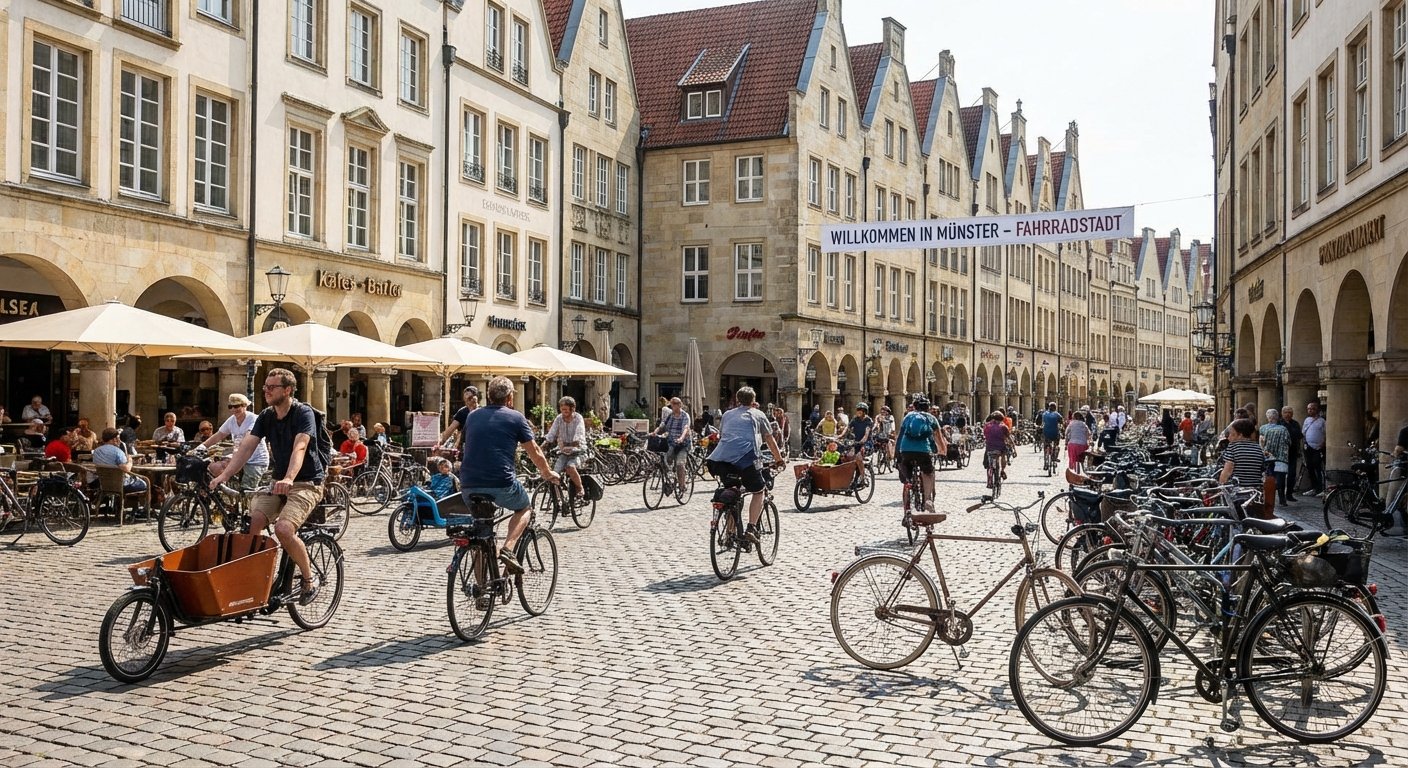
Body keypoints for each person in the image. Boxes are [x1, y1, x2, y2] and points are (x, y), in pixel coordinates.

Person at [210, 368, 326, 605]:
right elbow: (246, 448)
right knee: (254, 524)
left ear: (287, 390)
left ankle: (308, 579)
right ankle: (258, 579)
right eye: (265, 387)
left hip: (306, 482)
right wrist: (224, 476)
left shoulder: (303, 413)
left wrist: (290, 478)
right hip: (278, 483)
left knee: (284, 529)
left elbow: (300, 447)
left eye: (271, 387)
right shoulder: (266, 416)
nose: (266, 391)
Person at [458, 376, 559, 575]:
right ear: (510, 398)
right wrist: (547, 473)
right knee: (524, 507)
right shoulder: (516, 417)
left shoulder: (472, 416)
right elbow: (535, 451)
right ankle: (508, 548)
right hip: (501, 483)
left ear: (488, 396)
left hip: (468, 485)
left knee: (481, 533)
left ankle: (481, 591)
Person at [707, 386, 785, 545]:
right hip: (746, 459)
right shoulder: (758, 414)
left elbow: (723, 436)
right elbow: (769, 439)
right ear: (753, 400)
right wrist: (779, 459)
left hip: (719, 460)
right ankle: (751, 528)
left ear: (737, 400)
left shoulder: (727, 414)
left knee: (732, 492)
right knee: (759, 490)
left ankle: (729, 534)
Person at [199, 393, 268, 492]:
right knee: (214, 468)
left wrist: (232, 459)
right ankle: (223, 500)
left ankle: (248, 506)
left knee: (246, 490)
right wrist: (202, 447)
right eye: (230, 407)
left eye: (236, 406)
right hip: (239, 456)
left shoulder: (254, 419)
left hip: (255, 460)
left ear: (245, 406)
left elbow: (247, 442)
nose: (233, 410)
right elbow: (218, 435)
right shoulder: (232, 420)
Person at [896, 397, 941, 513]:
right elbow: (938, 438)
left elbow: (900, 436)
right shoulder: (931, 418)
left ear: (914, 407)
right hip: (923, 451)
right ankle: (927, 500)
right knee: (928, 473)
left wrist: (897, 453)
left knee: (907, 479)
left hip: (905, 450)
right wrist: (942, 451)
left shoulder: (908, 417)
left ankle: (906, 506)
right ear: (928, 408)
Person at [544, 396, 587, 502]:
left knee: (570, 467)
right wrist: (543, 445)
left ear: (572, 409)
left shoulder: (578, 418)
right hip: (563, 451)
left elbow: (579, 433)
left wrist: (573, 444)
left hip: (578, 451)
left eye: (566, 410)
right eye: (562, 410)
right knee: (554, 473)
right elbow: (552, 433)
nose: (563, 412)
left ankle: (579, 487)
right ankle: (558, 499)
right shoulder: (559, 419)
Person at [653, 397, 693, 494]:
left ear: (680, 405)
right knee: (666, 461)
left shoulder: (685, 415)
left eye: (675, 403)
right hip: (671, 443)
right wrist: (655, 432)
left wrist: (681, 438)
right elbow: (663, 424)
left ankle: (682, 486)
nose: (673, 406)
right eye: (672, 404)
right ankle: (670, 480)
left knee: (680, 464)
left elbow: (685, 428)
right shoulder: (670, 415)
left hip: (683, 445)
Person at [93, 427, 148, 493]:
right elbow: (126, 469)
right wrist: (130, 460)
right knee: (145, 483)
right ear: (114, 439)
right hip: (119, 484)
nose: (119, 440)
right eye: (118, 438)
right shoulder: (118, 452)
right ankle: (140, 503)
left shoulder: (96, 451)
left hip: (103, 483)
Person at [1220, 418, 1267, 489]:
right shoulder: (1258, 448)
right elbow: (1262, 468)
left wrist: (1221, 486)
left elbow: (1228, 470)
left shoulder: (1233, 447)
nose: (1229, 437)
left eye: (1232, 434)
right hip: (1255, 490)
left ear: (1240, 435)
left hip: (1238, 490)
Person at [1259, 409, 1291, 506]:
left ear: (1268, 418)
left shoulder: (1263, 428)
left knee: (1270, 478)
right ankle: (1282, 499)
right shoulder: (1283, 429)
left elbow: (1261, 443)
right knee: (1281, 479)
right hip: (1282, 458)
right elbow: (1288, 442)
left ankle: (1268, 499)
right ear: (1277, 417)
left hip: (1268, 458)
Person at [437, 385, 480, 449]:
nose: (468, 401)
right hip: (465, 444)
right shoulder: (462, 412)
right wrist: (440, 442)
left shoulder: (481, 411)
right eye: (466, 398)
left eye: (470, 398)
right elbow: (451, 429)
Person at [1280, 406, 1303, 503]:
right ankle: (1281, 496)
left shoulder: (1295, 424)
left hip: (1293, 452)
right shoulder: (1279, 424)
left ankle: (1289, 494)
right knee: (1281, 474)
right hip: (1282, 453)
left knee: (1292, 474)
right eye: (1286, 412)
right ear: (1282, 413)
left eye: (1290, 412)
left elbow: (1299, 436)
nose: (1288, 414)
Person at [1303, 401, 1326, 497]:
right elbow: (1303, 432)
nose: (1310, 410)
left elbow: (1325, 433)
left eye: (1312, 409)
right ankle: (1314, 487)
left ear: (1317, 410)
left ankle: (1320, 488)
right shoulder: (1307, 420)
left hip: (1318, 448)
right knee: (1310, 468)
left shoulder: (1322, 421)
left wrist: (1323, 444)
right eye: (1308, 409)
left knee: (1318, 467)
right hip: (1308, 447)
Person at [983, 410, 1011, 482]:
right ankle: (1002, 470)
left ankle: (989, 481)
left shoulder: (987, 426)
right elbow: (1009, 437)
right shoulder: (1003, 427)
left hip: (989, 447)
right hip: (1000, 447)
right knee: (1003, 455)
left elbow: (985, 435)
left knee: (989, 464)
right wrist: (1013, 447)